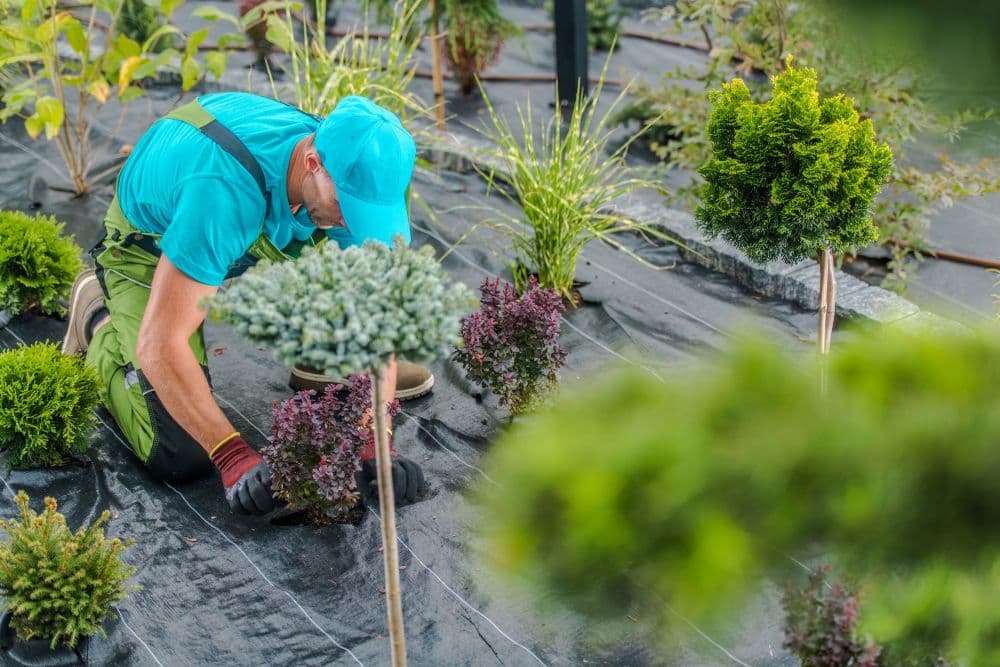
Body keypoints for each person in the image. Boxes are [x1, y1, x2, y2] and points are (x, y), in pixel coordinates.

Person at [61, 93, 428, 515]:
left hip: (243, 217)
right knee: (178, 450)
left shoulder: (342, 166)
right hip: (150, 244)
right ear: (312, 163)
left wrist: (374, 437)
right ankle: (100, 319)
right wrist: (230, 453)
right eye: (348, 208)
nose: (352, 221)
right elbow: (161, 344)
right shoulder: (221, 194)